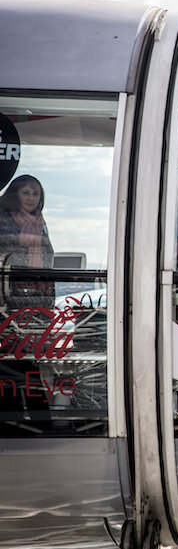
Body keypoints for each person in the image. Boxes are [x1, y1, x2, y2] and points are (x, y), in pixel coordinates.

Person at [0, 174, 54, 422]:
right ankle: (21, 421)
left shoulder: (39, 222)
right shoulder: (3, 219)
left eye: (36, 193)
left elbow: (48, 259)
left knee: (28, 363)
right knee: (14, 365)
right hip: (7, 306)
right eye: (26, 192)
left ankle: (33, 421)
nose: (32, 198)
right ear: (14, 195)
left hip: (35, 306)